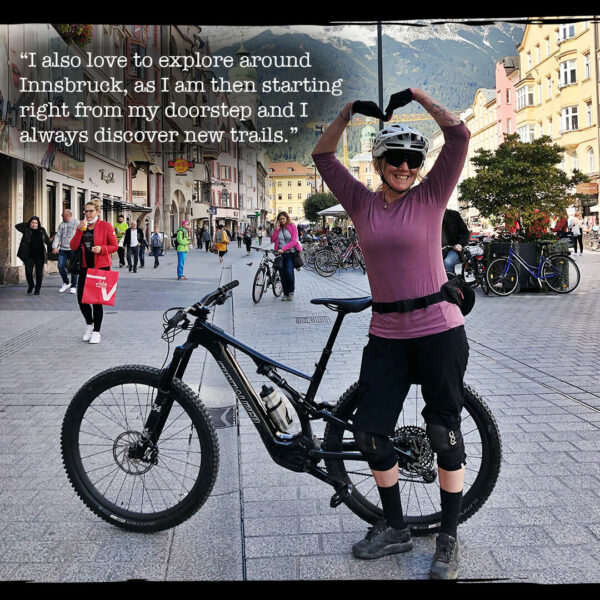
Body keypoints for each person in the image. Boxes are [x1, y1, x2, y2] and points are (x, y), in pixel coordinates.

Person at [312, 89, 470, 580]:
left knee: (443, 432)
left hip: (439, 331)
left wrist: (418, 98)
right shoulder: (359, 202)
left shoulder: (431, 195)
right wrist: (346, 113)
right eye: (395, 159)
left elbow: (459, 134)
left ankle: (448, 537)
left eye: (412, 160)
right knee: (368, 432)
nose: (405, 167)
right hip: (386, 333)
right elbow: (321, 155)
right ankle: (396, 527)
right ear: (379, 162)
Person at [70, 198, 118, 344]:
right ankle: (89, 325)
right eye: (86, 211)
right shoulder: (82, 227)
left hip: (100, 267)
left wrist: (102, 249)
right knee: (81, 299)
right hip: (85, 267)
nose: (88, 214)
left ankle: (97, 331)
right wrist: (79, 230)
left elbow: (114, 246)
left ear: (98, 211)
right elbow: (73, 246)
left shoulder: (105, 226)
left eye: (91, 211)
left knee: (97, 301)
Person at [16, 216, 51, 295]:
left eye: (36, 223)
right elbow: (17, 226)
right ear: (30, 223)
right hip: (29, 255)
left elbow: (47, 241)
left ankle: (37, 289)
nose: (34, 224)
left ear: (38, 224)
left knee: (39, 273)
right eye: (32, 222)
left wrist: (54, 248)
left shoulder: (42, 230)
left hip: (40, 255)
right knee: (28, 271)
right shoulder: (26, 230)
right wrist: (28, 224)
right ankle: (31, 285)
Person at [271, 211, 301, 301]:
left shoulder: (292, 226)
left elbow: (294, 241)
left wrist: (283, 249)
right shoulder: (278, 228)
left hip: (290, 254)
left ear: (287, 218)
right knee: (282, 275)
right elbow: (273, 239)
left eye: (283, 218)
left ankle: (291, 292)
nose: (282, 220)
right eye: (280, 219)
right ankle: (285, 293)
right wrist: (276, 229)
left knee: (289, 272)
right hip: (280, 255)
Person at [52, 209, 80, 294]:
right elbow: (57, 236)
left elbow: (80, 234)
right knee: (60, 266)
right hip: (63, 249)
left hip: (73, 249)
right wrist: (54, 247)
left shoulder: (76, 222)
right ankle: (66, 282)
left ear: (68, 215)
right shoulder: (61, 224)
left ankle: (73, 286)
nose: (62, 217)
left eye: (63, 215)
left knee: (73, 268)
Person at [442, 208, 471, 274]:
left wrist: (460, 244)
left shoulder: (454, 215)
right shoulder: (430, 217)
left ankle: (450, 283)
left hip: (453, 249)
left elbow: (465, 232)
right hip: (437, 251)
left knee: (448, 262)